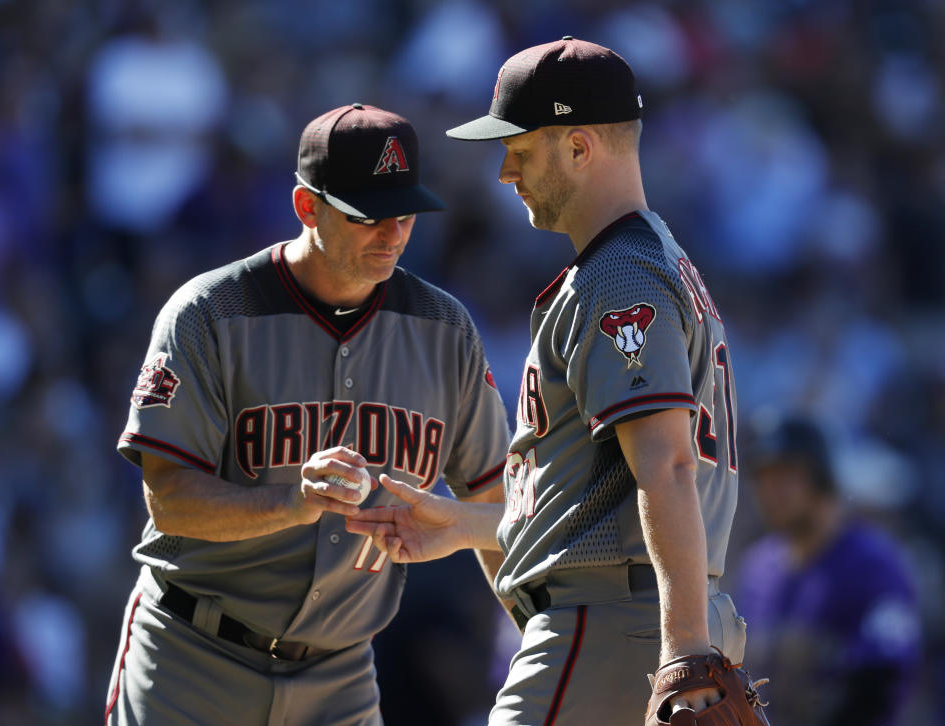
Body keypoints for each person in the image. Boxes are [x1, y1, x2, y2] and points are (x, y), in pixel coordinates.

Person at [347, 37, 756, 725]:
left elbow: (669, 466)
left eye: (521, 147)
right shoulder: (650, 260)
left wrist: (684, 652)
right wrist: (466, 525)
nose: (505, 171)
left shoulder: (619, 274)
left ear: (578, 146)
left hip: (615, 629)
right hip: (642, 615)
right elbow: (612, 503)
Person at [103, 103, 512, 726]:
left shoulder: (444, 329)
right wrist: (291, 503)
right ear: (306, 207)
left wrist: (542, 643)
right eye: (368, 215)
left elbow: (499, 504)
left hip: (339, 675)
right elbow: (169, 501)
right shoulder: (210, 313)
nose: (393, 234)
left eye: (405, 214)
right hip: (192, 660)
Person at [733, 414, 921, 726]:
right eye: (763, 478)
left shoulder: (874, 565)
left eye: (785, 475)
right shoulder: (758, 568)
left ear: (821, 476)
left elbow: (882, 682)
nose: (770, 491)